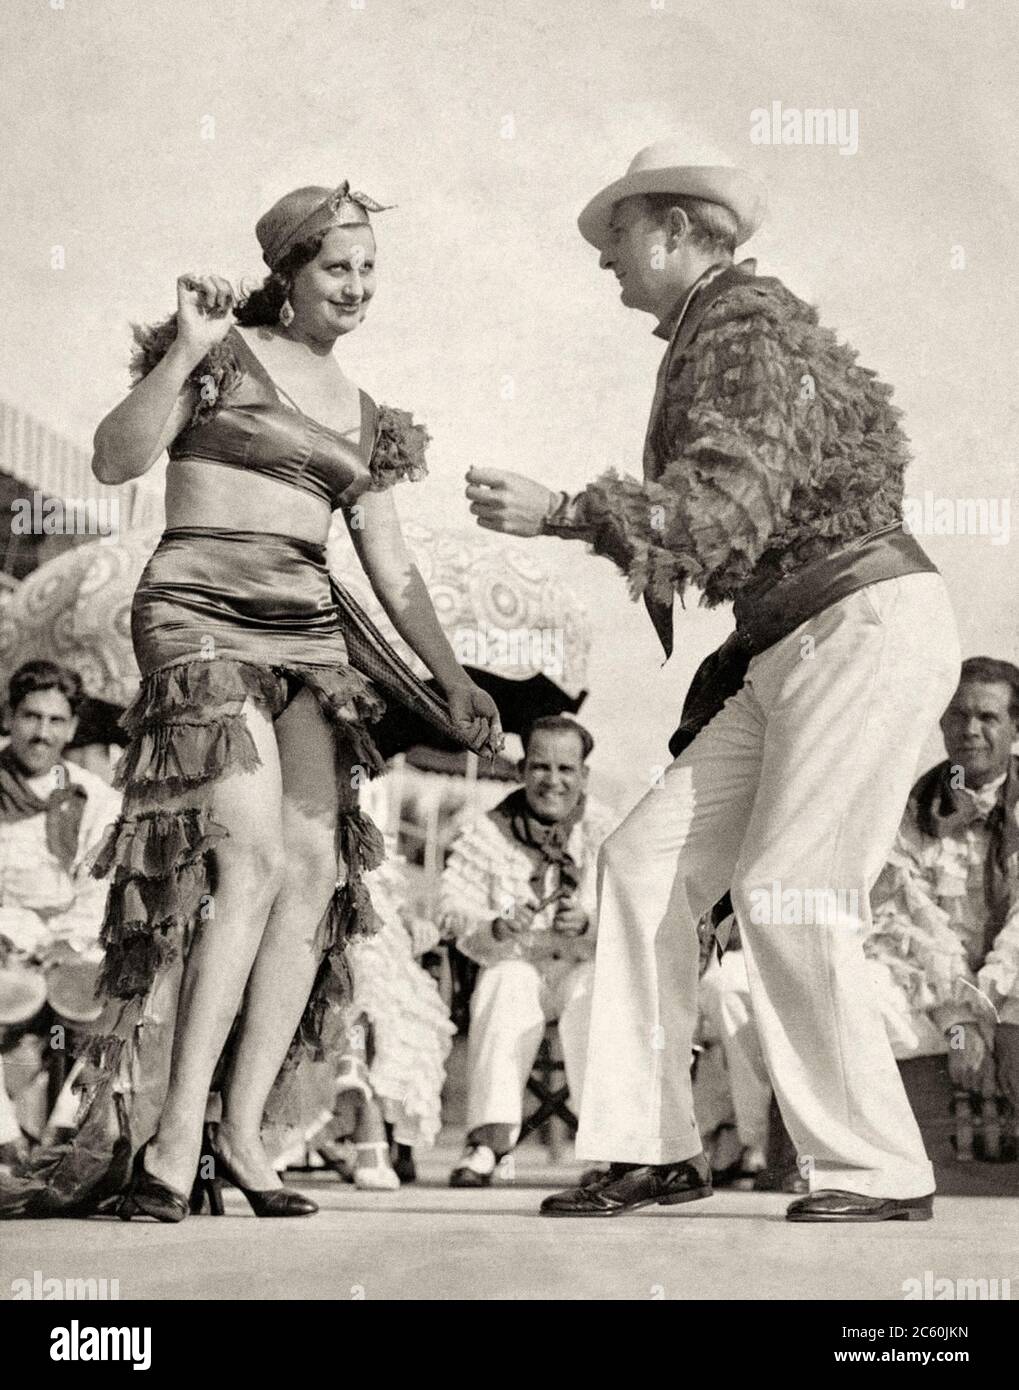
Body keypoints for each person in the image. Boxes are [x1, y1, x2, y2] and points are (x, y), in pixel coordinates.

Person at [466, 142, 961, 1221]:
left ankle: (877, 1167)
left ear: (679, 230)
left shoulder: (744, 326)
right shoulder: (716, 330)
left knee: (790, 889)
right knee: (642, 862)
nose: (603, 257)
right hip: (795, 643)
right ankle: (649, 1147)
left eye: (617, 233)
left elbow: (721, 509)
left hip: (856, 625)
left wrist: (562, 513)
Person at [0, 181, 500, 1221]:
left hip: (308, 633)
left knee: (313, 868)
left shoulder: (370, 418)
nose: (357, 287)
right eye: (337, 267)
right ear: (289, 271)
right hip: (197, 614)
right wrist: (184, 350)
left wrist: (451, 679)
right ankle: (174, 1138)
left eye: (369, 271)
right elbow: (113, 459)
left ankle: (243, 1136)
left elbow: (391, 567)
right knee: (253, 858)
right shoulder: (219, 354)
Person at [440, 716, 616, 1186]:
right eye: (540, 767)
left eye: (565, 769)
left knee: (595, 995)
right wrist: (495, 925)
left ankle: (607, 1150)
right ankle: (487, 1142)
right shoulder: (488, 831)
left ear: (584, 775)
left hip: (582, 965)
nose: (552, 781)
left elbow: (637, 917)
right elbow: (451, 910)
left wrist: (591, 924)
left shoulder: (608, 832)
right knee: (505, 982)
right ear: (521, 770)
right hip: (517, 963)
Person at [865, 658, 1019, 1127]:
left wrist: (1005, 1015)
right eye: (958, 715)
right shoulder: (912, 807)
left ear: (1016, 727)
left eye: (987, 717)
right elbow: (903, 924)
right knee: (855, 991)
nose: (970, 730)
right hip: (936, 998)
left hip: (1012, 994)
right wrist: (958, 1018)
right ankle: (887, 1150)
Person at [0, 661, 121, 1160]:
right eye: (31, 717)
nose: (42, 733)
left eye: (55, 721)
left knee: (128, 999)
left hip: (72, 939)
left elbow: (99, 885)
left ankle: (64, 1136)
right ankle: (5, 1142)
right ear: (9, 717)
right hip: (7, 934)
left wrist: (69, 941)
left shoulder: (94, 797)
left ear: (71, 729)